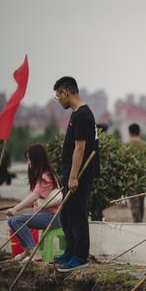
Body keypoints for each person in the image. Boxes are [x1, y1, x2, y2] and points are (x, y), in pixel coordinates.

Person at [53, 76, 99, 272]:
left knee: (78, 215)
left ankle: (80, 257)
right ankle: (69, 253)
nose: (57, 99)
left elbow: (80, 149)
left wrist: (72, 177)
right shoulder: (76, 113)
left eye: (58, 95)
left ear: (66, 92)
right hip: (71, 174)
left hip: (79, 175)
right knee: (67, 215)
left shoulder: (83, 115)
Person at [6, 144, 62, 262]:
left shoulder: (45, 176)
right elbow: (38, 198)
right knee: (11, 221)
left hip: (53, 218)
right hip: (44, 216)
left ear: (36, 159)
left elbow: (34, 196)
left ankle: (34, 252)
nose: (28, 162)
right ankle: (27, 250)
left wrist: (16, 209)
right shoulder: (43, 175)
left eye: (29, 159)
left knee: (16, 220)